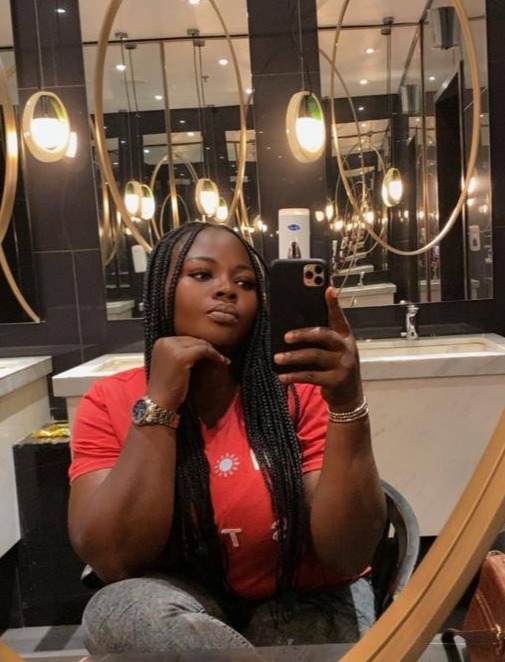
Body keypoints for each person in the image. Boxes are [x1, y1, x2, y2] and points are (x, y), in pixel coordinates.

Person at [68, 220, 387, 654]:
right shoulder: (110, 399)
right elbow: (113, 559)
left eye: (245, 283)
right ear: (162, 290)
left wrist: (348, 402)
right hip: (184, 598)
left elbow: (347, 553)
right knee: (119, 610)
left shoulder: (299, 392)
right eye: (202, 274)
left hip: (308, 592)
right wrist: (160, 403)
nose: (226, 289)